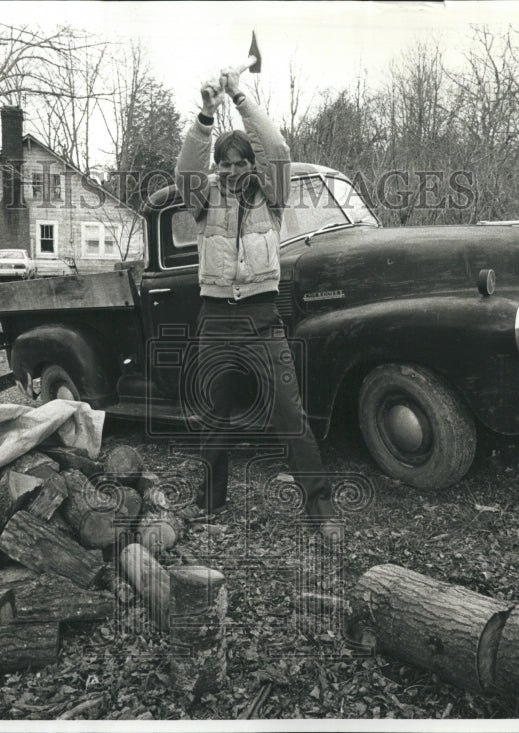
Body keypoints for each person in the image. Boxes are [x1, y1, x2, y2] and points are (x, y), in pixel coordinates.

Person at [174, 68, 342, 544]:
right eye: (223, 164)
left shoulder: (273, 197)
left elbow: (280, 150)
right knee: (213, 415)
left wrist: (240, 98)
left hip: (263, 318)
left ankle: (321, 510)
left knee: (290, 413)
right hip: (216, 320)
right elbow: (187, 168)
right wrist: (207, 113)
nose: (229, 171)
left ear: (250, 165)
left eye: (238, 163)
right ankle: (208, 503)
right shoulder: (202, 198)